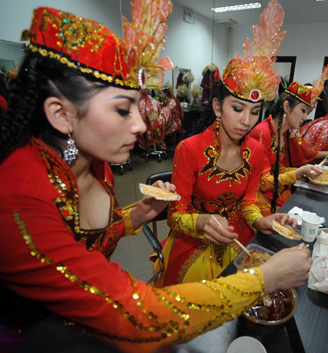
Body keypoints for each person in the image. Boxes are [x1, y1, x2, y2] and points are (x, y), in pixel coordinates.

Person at [0, 4, 311, 353]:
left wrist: (137, 215)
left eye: (138, 106)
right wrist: (264, 280)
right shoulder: (16, 197)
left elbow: (83, 240)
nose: (142, 125)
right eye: (122, 109)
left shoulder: (93, 161)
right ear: (60, 114)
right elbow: (135, 313)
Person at [152, 0, 300, 287]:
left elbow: (248, 203)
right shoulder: (189, 149)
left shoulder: (256, 150)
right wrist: (202, 222)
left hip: (238, 235)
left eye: (254, 112)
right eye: (237, 109)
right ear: (218, 107)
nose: (247, 120)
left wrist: (261, 221)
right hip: (193, 241)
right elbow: (175, 215)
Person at [249, 81, 328, 215]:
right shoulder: (262, 133)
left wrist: (303, 172)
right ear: (286, 106)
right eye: (303, 110)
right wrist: (299, 172)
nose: (305, 117)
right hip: (258, 197)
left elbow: (279, 169)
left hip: (277, 190)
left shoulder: (284, 132)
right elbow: (262, 184)